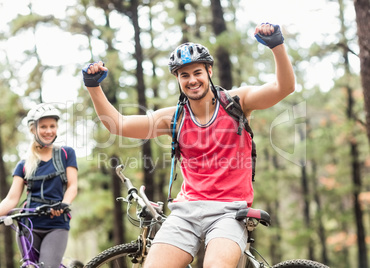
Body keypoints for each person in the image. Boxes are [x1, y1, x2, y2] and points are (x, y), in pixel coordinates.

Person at [82, 23, 294, 268]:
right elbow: (118, 125)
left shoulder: (236, 102)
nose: (192, 80)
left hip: (229, 211)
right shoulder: (175, 118)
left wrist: (277, 46)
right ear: (177, 78)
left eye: (197, 73)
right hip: (186, 212)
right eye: (185, 75)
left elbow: (284, 87)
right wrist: (93, 86)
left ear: (209, 71)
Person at [0, 103, 79, 268]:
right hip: (28, 225)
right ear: (32, 129)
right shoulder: (23, 164)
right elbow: (11, 199)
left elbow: (73, 186)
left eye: (52, 126)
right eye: (43, 126)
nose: (49, 130)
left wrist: (64, 204)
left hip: (56, 225)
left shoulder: (66, 154)